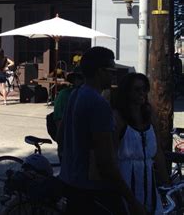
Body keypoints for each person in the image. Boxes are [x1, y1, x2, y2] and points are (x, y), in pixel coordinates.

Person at [59, 46, 146, 215]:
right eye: (111, 70)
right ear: (100, 72)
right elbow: (106, 162)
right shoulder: (99, 104)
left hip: (69, 182)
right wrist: (131, 200)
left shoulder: (75, 94)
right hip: (93, 191)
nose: (113, 75)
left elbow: (60, 137)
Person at [112, 73, 169, 214]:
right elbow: (110, 158)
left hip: (148, 183)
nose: (142, 93)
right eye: (137, 89)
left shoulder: (149, 116)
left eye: (144, 89)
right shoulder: (117, 118)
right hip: (125, 181)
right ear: (127, 91)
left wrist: (166, 182)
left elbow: (158, 154)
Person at [53, 71, 84, 160]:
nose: (81, 81)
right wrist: (62, 143)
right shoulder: (64, 94)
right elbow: (58, 121)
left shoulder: (91, 96)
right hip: (68, 144)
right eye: (78, 78)